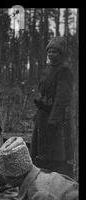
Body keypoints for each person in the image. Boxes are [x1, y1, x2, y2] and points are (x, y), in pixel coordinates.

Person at [31, 36, 74, 178]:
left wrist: (54, 120)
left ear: (61, 54)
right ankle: (43, 175)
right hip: (43, 115)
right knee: (41, 152)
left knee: (56, 153)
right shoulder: (48, 68)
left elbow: (63, 98)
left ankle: (56, 178)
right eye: (49, 51)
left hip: (55, 118)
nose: (51, 54)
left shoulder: (64, 70)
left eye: (54, 52)